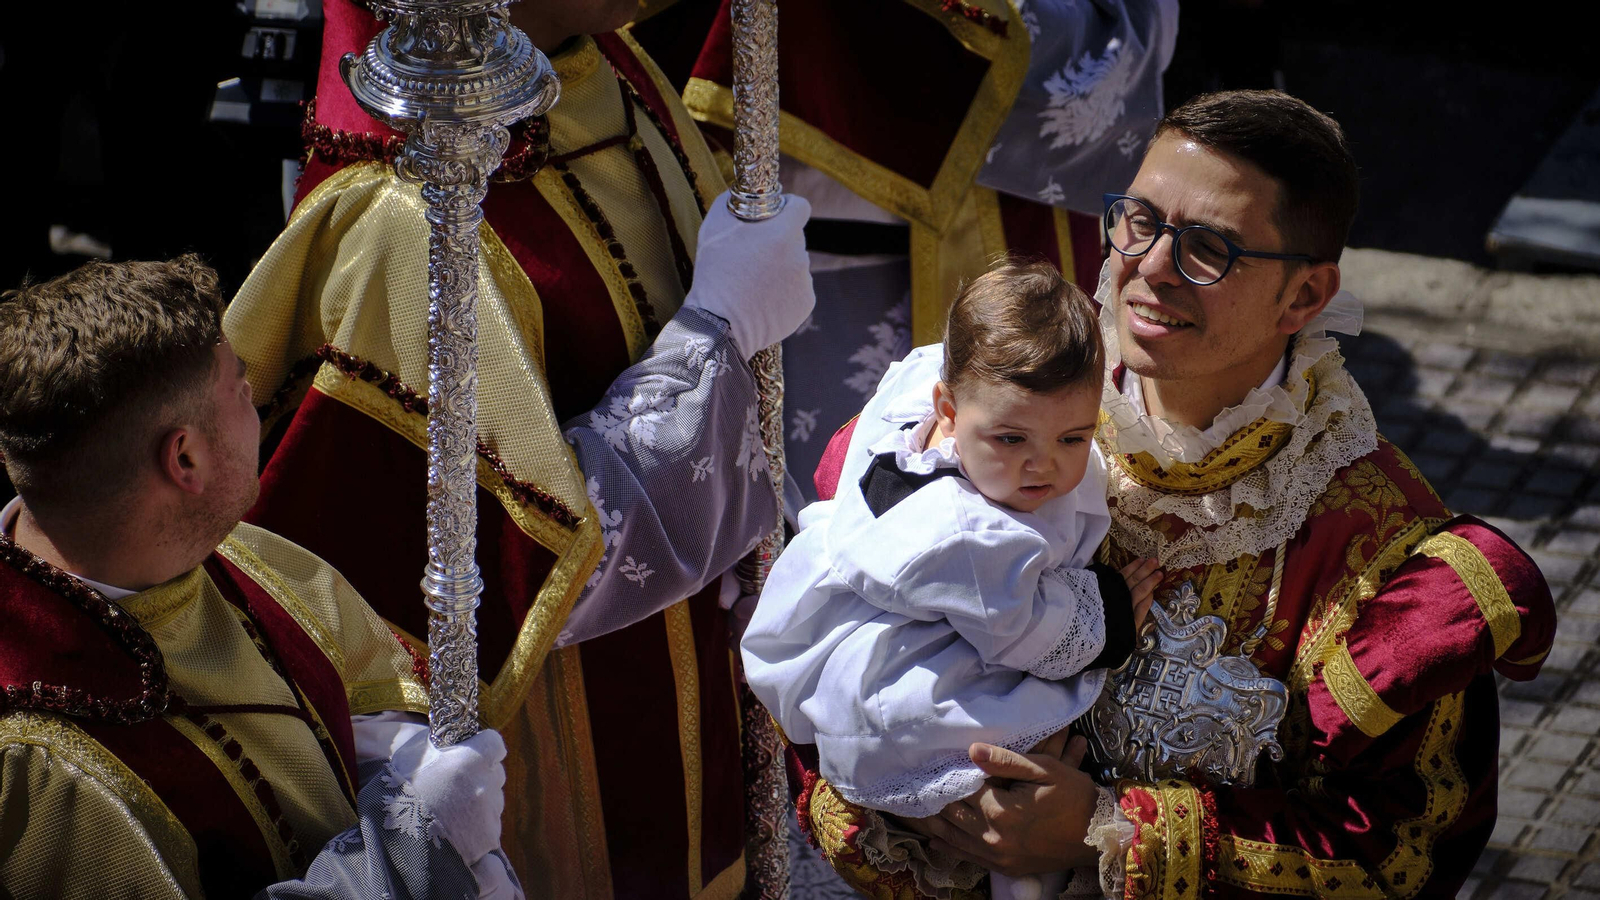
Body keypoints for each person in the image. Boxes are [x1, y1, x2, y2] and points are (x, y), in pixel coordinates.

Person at [794, 90, 1558, 899]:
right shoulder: (964, 430)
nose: (1150, 266)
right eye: (1140, 221)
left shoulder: (1378, 556)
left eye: (1209, 248)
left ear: (1304, 297)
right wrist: (930, 810)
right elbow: (822, 667)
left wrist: (1111, 830)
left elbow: (1402, 852)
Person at [222, 2, 815, 897]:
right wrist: (718, 335)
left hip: (696, 720)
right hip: (561, 782)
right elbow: (503, 573)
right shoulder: (405, 204)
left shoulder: (603, 70)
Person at [0, 256, 514, 898]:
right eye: (240, 388)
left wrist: (410, 763)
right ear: (184, 456)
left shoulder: (229, 553)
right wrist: (416, 844)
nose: (257, 405)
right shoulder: (40, 769)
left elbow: (363, 703)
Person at [743, 261, 1162, 899]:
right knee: (1023, 783)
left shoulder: (924, 398)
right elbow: (1025, 627)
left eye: (1075, 437)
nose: (1043, 465)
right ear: (948, 407)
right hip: (905, 694)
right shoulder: (968, 535)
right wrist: (1105, 613)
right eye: (1013, 437)